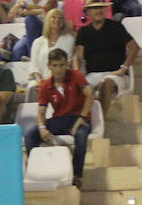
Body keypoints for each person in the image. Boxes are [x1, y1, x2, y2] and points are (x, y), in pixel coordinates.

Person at [26, 49, 94, 189]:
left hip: (77, 118)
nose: (59, 69)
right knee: (31, 134)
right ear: (49, 66)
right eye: (55, 65)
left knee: (81, 136)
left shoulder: (77, 75)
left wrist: (82, 118)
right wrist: (42, 127)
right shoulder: (45, 85)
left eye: (62, 65)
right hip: (58, 119)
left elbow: (91, 93)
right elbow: (41, 112)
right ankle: (36, 171)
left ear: (67, 64)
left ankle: (77, 175)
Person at [73, 0, 140, 118]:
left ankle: (100, 122)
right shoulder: (83, 32)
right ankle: (79, 121)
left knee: (106, 83)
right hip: (92, 75)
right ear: (88, 11)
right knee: (77, 87)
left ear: (105, 10)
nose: (98, 10)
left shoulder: (116, 27)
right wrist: (77, 73)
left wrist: (123, 69)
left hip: (116, 74)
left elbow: (134, 47)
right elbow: (78, 56)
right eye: (94, 8)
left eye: (100, 7)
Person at [29, 8, 76, 83]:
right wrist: (39, 80)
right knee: (33, 87)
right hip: (40, 80)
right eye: (53, 17)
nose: (57, 20)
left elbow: (67, 63)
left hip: (62, 79)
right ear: (47, 20)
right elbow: (34, 65)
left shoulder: (69, 39)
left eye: (60, 18)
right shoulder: (37, 42)